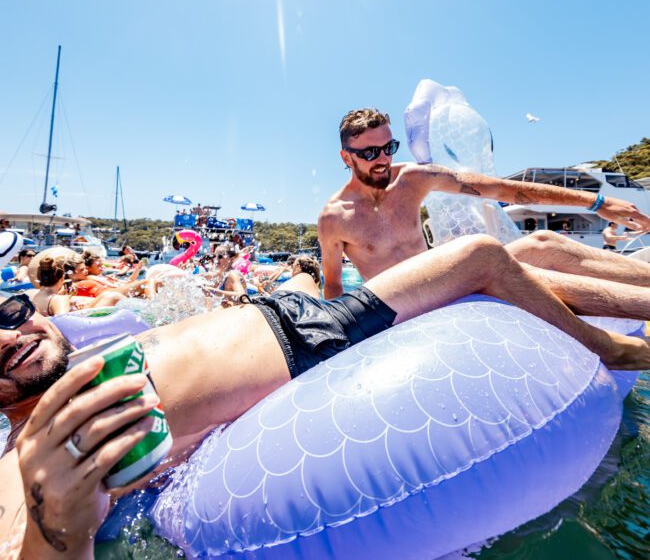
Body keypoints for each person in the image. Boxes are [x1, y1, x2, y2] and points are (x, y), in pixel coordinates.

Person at [1, 236, 650, 557]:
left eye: (7, 312)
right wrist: (54, 526)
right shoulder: (22, 459)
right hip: (316, 346)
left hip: (300, 318)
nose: (8, 336)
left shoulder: (86, 339)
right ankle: (620, 350)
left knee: (502, 257)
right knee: (483, 257)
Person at [318, 108, 650, 299]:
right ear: (346, 157)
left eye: (389, 148)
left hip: (440, 287)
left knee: (544, 243)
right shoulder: (334, 218)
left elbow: (502, 190)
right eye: (369, 153)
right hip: (391, 304)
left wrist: (598, 201)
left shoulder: (413, 180)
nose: (383, 160)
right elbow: (332, 284)